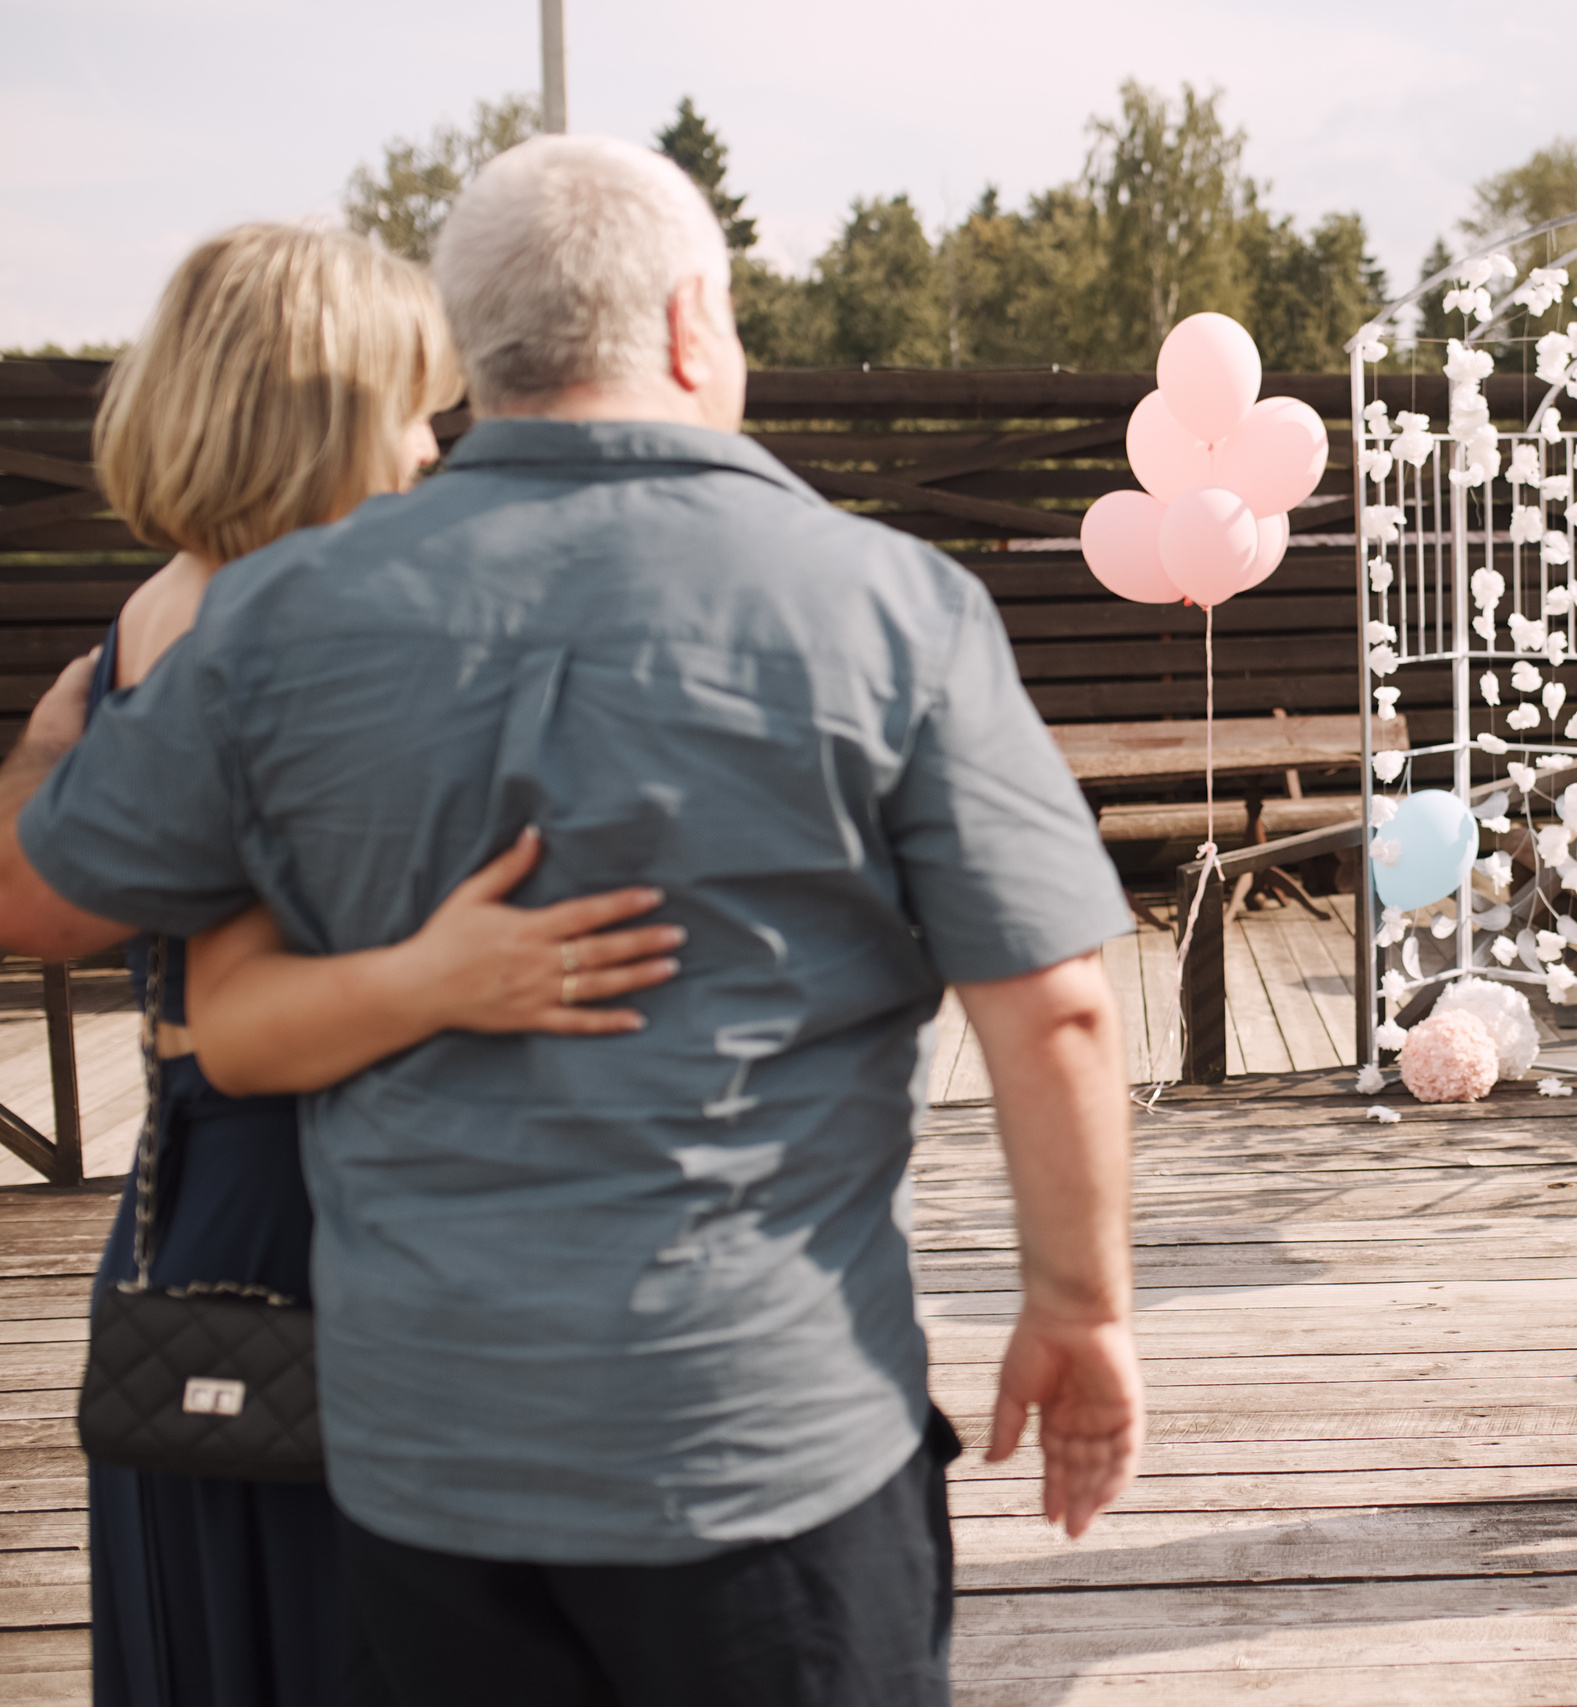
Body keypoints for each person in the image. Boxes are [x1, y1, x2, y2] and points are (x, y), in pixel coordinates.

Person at [0, 135, 1142, 1704]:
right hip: (770, 1433)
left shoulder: (277, 610)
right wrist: (1076, 1307)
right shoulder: (889, 602)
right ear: (691, 324)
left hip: (420, 1461)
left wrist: (65, 734)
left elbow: (69, 909)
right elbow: (1058, 1008)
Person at [47, 222, 684, 1707]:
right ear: (310, 417)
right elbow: (230, 1000)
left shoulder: (162, 608)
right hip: (301, 1210)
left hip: (212, 1204)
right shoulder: (266, 630)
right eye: (405, 409)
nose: (425, 452)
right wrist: (457, 971)